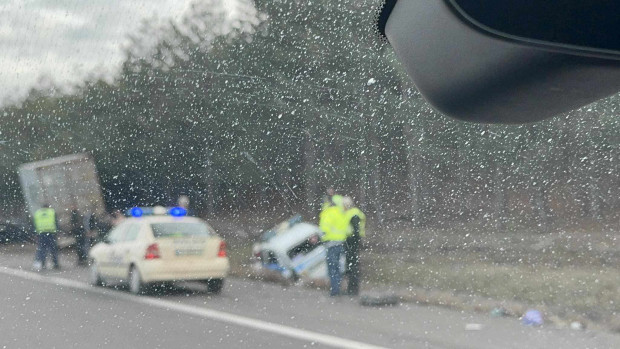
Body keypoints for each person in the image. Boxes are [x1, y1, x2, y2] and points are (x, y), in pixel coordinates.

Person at [319, 196, 349, 296]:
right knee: (338, 268)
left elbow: (325, 229)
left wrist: (320, 237)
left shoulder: (328, 212)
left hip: (331, 244)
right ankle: (338, 288)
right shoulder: (342, 213)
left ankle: (334, 291)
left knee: (332, 268)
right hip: (341, 243)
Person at [343, 197, 366, 296]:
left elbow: (356, 230)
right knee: (351, 265)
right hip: (351, 241)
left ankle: (353, 289)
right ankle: (351, 288)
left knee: (352, 266)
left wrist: (353, 240)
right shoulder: (352, 213)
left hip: (352, 241)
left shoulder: (353, 214)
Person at [32, 204, 60, 271]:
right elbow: (56, 223)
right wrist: (58, 231)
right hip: (51, 233)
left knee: (42, 249)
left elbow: (34, 224)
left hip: (41, 233)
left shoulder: (37, 213)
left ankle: (43, 263)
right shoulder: (52, 212)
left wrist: (35, 233)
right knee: (53, 249)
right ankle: (55, 263)